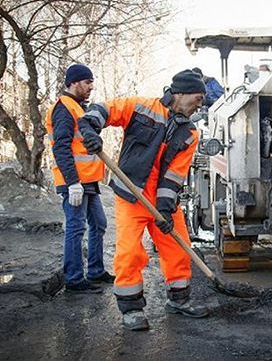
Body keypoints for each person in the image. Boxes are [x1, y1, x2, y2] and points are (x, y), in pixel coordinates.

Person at [78, 69, 208, 331]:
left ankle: (179, 300)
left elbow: (174, 174)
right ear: (179, 93)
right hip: (132, 193)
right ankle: (131, 309)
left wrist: (165, 210)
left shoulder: (190, 133)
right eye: (197, 99)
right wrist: (90, 129)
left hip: (163, 200)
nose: (199, 105)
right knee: (129, 253)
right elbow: (103, 110)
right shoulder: (140, 107)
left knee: (178, 247)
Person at [45, 64, 115, 294]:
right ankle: (74, 279)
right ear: (73, 82)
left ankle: (95, 271)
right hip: (74, 182)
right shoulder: (64, 108)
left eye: (91, 82)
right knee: (76, 228)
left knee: (99, 223)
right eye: (87, 82)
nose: (91, 87)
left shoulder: (78, 107)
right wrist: (72, 182)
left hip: (88, 182)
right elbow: (61, 147)